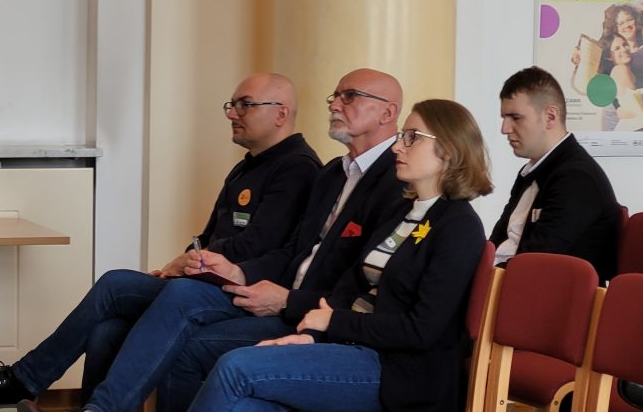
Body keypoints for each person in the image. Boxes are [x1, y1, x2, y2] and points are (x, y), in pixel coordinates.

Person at [0, 72, 322, 412]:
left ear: (281, 113)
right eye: (231, 104)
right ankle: (37, 384)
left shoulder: (297, 167)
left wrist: (187, 266)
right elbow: (208, 237)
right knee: (111, 308)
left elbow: (259, 245)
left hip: (246, 293)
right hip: (208, 281)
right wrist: (184, 261)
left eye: (245, 104)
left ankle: (37, 385)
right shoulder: (247, 165)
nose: (232, 113)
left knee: (148, 291)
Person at [185, 98, 493, 412]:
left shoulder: (459, 226)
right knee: (247, 407)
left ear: (448, 150)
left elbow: (421, 330)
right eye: (402, 136)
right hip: (353, 345)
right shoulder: (401, 210)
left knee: (236, 367)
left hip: (399, 371)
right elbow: (351, 288)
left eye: (412, 137)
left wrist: (333, 321)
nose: (397, 146)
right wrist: (311, 335)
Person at [155, 68, 406, 411]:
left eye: (349, 96)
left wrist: (289, 301)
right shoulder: (333, 172)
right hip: (290, 304)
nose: (334, 105)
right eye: (334, 96)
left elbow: (361, 282)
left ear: (388, 113)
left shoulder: (397, 184)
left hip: (327, 322)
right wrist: (242, 273)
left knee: (179, 307)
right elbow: (295, 250)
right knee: (178, 335)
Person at [490, 66, 620, 285]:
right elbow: (497, 242)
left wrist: (483, 277)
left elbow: (535, 263)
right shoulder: (534, 170)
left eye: (515, 118)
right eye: (504, 117)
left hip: (549, 297)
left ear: (550, 117)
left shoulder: (577, 179)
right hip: (514, 287)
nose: (505, 128)